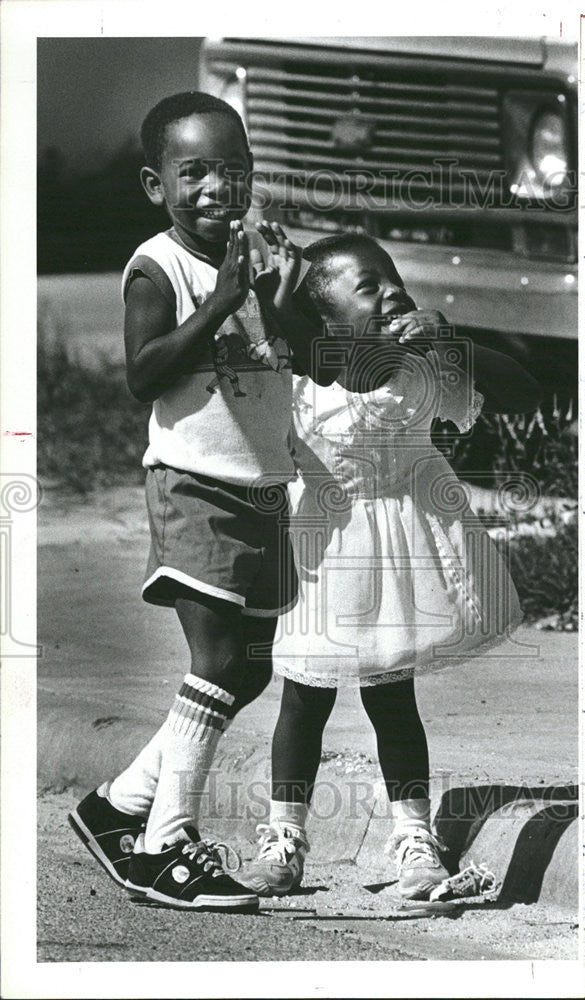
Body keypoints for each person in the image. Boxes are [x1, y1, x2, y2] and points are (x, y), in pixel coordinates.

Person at [240, 233, 542, 900]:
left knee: (391, 697)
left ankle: (413, 839)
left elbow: (523, 394)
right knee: (304, 695)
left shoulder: (421, 370)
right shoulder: (295, 379)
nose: (390, 293)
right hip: (320, 546)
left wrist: (451, 341)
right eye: (366, 287)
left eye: (392, 279)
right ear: (322, 319)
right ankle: (284, 838)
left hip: (406, 551)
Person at [68, 92, 307, 911]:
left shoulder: (258, 256)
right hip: (194, 488)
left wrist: (275, 292)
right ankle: (164, 846)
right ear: (154, 183)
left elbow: (286, 352)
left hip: (263, 489)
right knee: (212, 663)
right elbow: (143, 373)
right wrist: (219, 299)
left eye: (231, 170)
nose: (215, 188)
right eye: (192, 172)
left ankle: (117, 805)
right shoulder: (157, 265)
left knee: (247, 670)